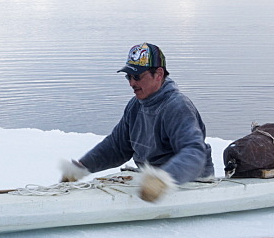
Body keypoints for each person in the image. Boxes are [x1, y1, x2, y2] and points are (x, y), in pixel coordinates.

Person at [60, 43, 214, 202]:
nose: (131, 83)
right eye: (129, 76)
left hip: (190, 183)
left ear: (159, 74)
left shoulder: (177, 106)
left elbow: (194, 151)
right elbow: (117, 147)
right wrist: (82, 167)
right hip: (150, 184)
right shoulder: (135, 106)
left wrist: (163, 179)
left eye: (137, 76)